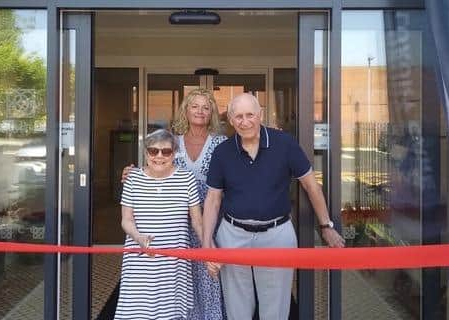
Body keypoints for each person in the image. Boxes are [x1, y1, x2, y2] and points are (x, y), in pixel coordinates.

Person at [202, 93, 345, 320]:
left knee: (275, 308)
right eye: (238, 116)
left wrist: (326, 225)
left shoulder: (284, 143)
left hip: (277, 234)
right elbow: (213, 199)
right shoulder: (223, 152)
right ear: (230, 120)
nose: (245, 121)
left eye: (250, 115)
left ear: (261, 115)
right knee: (237, 307)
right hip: (232, 235)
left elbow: (310, 185)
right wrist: (207, 242)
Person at [122, 88, 227, 320]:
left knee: (206, 276)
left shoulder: (221, 143)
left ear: (212, 113)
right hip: (173, 222)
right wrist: (131, 173)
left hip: (207, 219)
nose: (200, 111)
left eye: (206, 107)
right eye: (195, 106)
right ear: (185, 110)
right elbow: (152, 168)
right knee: (176, 278)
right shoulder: (171, 141)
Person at [115, 129, 203, 320]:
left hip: (173, 263)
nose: (159, 156)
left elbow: (197, 221)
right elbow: (126, 219)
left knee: (169, 314)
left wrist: (210, 248)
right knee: (136, 312)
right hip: (140, 260)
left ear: (174, 153)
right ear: (146, 153)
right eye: (153, 151)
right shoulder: (133, 179)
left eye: (166, 151)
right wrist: (138, 237)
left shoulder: (186, 179)